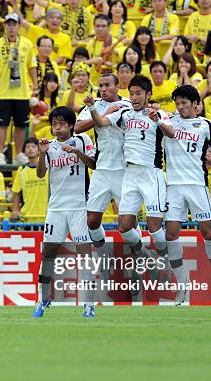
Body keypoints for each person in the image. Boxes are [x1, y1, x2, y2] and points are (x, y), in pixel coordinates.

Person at [85, 75, 174, 265]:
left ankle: (168, 260)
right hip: (130, 175)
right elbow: (101, 122)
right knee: (124, 227)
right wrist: (93, 108)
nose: (134, 98)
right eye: (131, 94)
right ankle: (146, 258)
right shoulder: (124, 113)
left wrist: (157, 120)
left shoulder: (159, 114)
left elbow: (172, 133)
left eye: (138, 94)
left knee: (154, 228)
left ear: (148, 95)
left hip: (152, 174)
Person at [165, 85, 211, 304]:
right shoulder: (168, 121)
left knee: (208, 233)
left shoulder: (206, 124)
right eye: (177, 103)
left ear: (196, 104)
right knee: (171, 234)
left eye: (184, 103)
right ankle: (182, 286)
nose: (180, 107)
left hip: (198, 185)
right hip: (174, 187)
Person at [33, 106, 96, 319]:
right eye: (53, 124)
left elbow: (94, 164)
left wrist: (77, 153)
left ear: (70, 125)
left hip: (79, 206)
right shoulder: (48, 147)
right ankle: (42, 299)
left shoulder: (82, 140)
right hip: (56, 208)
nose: (56, 128)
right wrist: (41, 156)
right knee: (48, 253)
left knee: (84, 254)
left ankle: (89, 304)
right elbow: (41, 174)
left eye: (61, 124)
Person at [75, 73, 132, 266]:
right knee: (91, 221)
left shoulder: (128, 104)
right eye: (101, 85)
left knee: (126, 223)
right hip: (101, 170)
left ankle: (139, 255)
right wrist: (103, 114)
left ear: (117, 86)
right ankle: (104, 256)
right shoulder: (95, 105)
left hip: (124, 171)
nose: (104, 89)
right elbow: (78, 127)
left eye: (108, 85)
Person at [0, 13, 38, 165]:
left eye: (14, 24)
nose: (11, 27)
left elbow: (32, 66)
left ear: (19, 26)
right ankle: (0, 154)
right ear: (4, 26)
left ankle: (19, 154)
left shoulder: (27, 44)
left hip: (22, 92)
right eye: (8, 24)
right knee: (2, 124)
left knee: (21, 125)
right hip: (4, 92)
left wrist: (35, 87)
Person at [11, 138, 49, 223]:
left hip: (47, 216)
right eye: (27, 147)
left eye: (33, 147)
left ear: (39, 151)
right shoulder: (21, 170)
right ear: (24, 152)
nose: (30, 149)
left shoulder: (48, 168)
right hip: (27, 216)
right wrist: (15, 210)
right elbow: (16, 192)